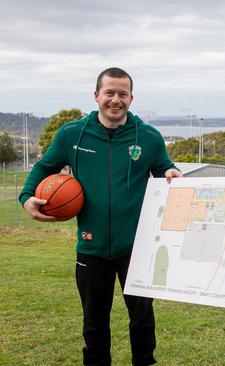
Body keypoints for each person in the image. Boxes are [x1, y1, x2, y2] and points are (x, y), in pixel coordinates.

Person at [19, 67, 182, 366]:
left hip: (136, 248)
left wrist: (170, 173)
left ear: (131, 98)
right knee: (94, 324)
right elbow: (44, 167)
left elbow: (164, 168)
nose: (115, 100)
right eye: (109, 92)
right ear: (96, 95)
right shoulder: (72, 134)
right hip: (91, 247)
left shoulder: (148, 137)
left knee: (142, 320)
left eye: (123, 94)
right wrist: (27, 195)